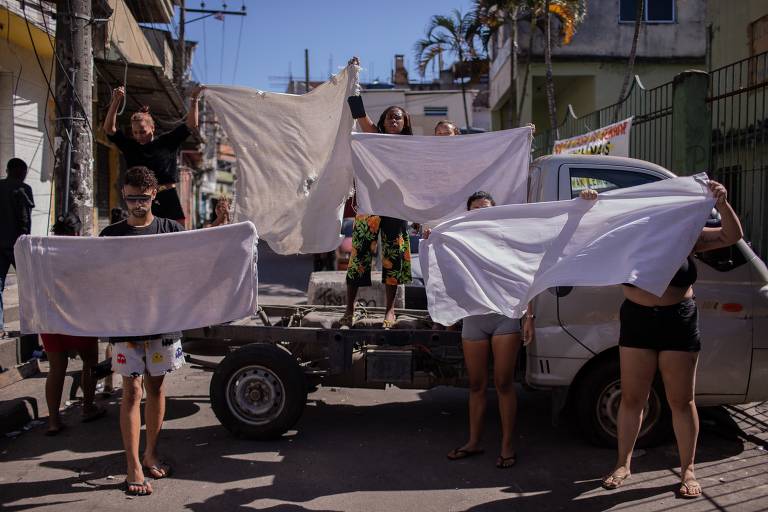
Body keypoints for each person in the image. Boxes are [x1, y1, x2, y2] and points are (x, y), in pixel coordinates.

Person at [595, 180, 743, 499]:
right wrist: (588, 203)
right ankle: (623, 464)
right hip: (637, 319)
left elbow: (732, 236)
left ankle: (688, 469)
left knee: (681, 400)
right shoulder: (626, 235)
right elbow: (582, 236)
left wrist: (722, 203)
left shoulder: (686, 235)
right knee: (633, 397)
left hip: (678, 319)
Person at [100, 166, 185, 496]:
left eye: (144, 198)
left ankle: (151, 451)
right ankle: (133, 465)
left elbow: (192, 266)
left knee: (156, 388)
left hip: (163, 324)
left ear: (154, 195)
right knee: (131, 391)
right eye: (131, 197)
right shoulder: (111, 236)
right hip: (126, 327)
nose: (137, 204)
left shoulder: (171, 230)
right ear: (124, 195)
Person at [440, 191, 535, 469]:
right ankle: (474, 442)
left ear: (494, 211)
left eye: (485, 208)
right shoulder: (461, 240)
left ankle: (507, 445)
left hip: (505, 316)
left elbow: (526, 274)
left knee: (504, 383)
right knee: (476, 385)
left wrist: (530, 315)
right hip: (474, 319)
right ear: (467, 214)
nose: (480, 212)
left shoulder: (507, 239)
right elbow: (445, 270)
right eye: (475, 209)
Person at [341, 57, 413, 329]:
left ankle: (390, 311)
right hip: (370, 207)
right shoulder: (373, 136)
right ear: (383, 121)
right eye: (390, 116)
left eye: (399, 117)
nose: (394, 119)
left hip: (396, 209)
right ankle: (348, 309)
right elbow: (358, 112)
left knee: (393, 259)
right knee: (358, 258)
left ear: (405, 123)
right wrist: (353, 78)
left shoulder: (412, 147)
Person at [41, 212, 105, 435]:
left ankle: (53, 421)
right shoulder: (82, 255)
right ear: (77, 232)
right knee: (90, 362)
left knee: (56, 369)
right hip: (78, 318)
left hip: (49, 318)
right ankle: (87, 408)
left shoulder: (43, 253)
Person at [102, 85, 204, 224]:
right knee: (144, 239)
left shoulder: (167, 142)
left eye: (143, 131)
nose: (139, 136)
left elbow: (192, 124)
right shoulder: (130, 146)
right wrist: (116, 101)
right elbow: (109, 129)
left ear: (152, 128)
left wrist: (194, 99)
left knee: (177, 238)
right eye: (135, 132)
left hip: (167, 197)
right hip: (141, 200)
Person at [0, 158, 34, 339]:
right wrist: (25, 240)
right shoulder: (23, 189)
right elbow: (25, 219)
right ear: (21, 172)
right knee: (29, 285)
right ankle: (31, 325)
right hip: (17, 244)